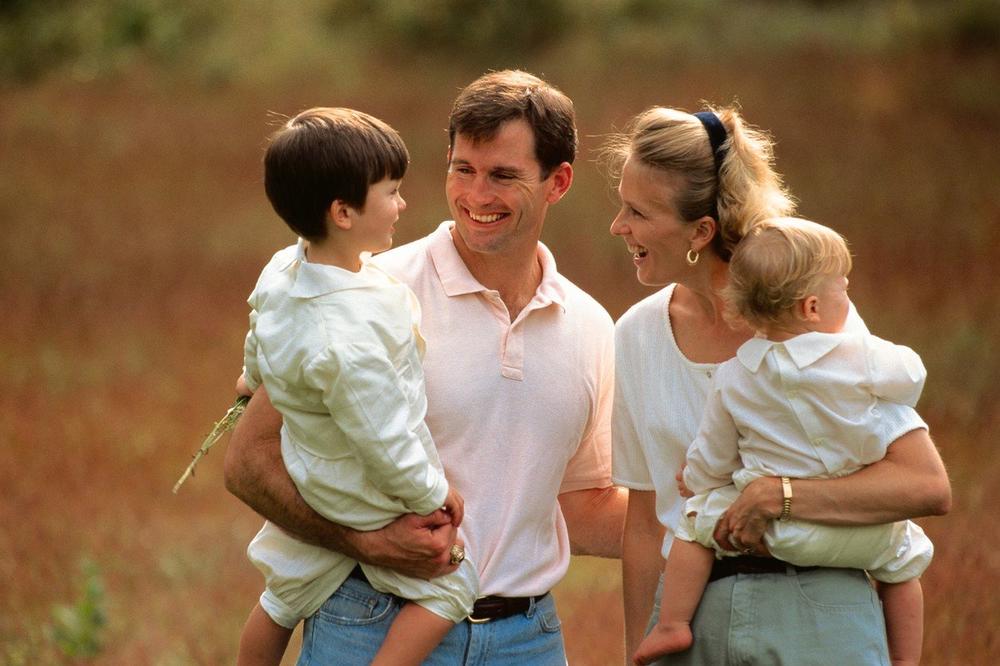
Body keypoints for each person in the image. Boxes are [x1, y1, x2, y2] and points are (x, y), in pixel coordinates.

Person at [224, 70, 626, 664]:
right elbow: (248, 463)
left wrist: (706, 520)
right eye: (462, 169)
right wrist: (365, 541)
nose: (476, 195)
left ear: (557, 182)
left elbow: (580, 505)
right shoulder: (370, 293)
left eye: (503, 176)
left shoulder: (591, 326)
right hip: (368, 622)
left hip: (528, 639)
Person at [605, 105, 951, 665]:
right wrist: (637, 653)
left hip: (820, 606)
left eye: (637, 212)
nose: (618, 226)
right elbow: (645, 526)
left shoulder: (807, 317)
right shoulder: (636, 336)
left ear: (701, 231)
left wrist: (781, 497)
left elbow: (921, 484)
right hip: (690, 619)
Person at [233, 107, 478, 666]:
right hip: (356, 487)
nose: (402, 204)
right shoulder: (346, 341)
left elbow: (259, 326)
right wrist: (431, 494)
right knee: (452, 586)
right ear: (343, 212)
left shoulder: (282, 268)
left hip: (310, 465)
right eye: (390, 192)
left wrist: (252, 377)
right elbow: (383, 438)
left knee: (283, 593)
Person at [633, 216, 933, 666]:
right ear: (812, 307)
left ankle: (672, 625)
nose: (847, 298)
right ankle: (905, 659)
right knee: (905, 560)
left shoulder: (736, 376)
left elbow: (712, 457)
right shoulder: (862, 358)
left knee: (694, 524)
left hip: (764, 533)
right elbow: (912, 375)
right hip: (848, 534)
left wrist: (694, 479)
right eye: (843, 289)